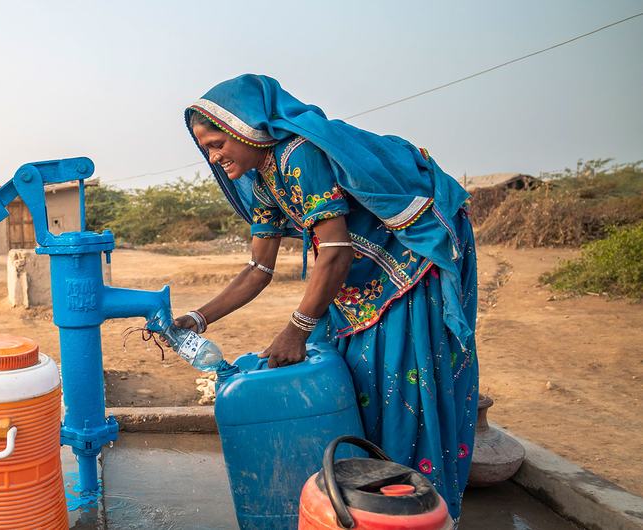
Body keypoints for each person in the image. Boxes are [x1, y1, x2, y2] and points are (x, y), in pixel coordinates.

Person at [178, 74, 478, 520]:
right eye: (206, 150)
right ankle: (362, 501)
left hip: (409, 265)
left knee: (399, 382)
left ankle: (414, 509)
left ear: (249, 127)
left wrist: (294, 331)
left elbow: (334, 252)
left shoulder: (300, 156)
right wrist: (197, 319)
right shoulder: (265, 181)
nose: (215, 157)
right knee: (355, 380)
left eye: (219, 142)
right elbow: (259, 269)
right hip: (356, 277)